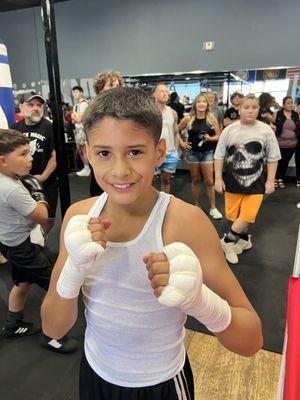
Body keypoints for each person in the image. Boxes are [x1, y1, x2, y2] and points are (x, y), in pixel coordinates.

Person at [42, 87, 263, 400]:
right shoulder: (79, 217)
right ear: (87, 153)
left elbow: (251, 340)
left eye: (135, 152)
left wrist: (200, 301)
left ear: (159, 152)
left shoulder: (185, 222)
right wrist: (74, 270)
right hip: (94, 375)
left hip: (160, 384)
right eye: (104, 153)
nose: (119, 170)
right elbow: (53, 328)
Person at [0, 129, 77, 353]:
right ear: (3, 161)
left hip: (10, 243)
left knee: (22, 283)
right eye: (23, 154)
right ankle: (52, 336)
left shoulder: (6, 179)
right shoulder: (13, 189)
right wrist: (37, 192)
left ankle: (12, 324)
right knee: (56, 289)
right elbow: (43, 216)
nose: (31, 157)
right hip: (23, 247)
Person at [214, 94, 281, 264]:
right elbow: (219, 156)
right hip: (232, 181)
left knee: (248, 215)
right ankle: (244, 240)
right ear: (239, 109)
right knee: (235, 217)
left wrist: (270, 180)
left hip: (257, 183)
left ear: (259, 109)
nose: (250, 111)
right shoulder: (229, 130)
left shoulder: (265, 130)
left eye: (254, 107)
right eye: (246, 107)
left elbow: (273, 157)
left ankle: (227, 242)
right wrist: (218, 179)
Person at [11, 91, 58, 235]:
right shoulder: (14, 129)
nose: (36, 108)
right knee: (22, 218)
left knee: (48, 218)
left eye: (39, 105)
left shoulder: (50, 127)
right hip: (20, 184)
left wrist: (43, 177)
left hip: (47, 183)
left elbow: (55, 156)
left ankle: (42, 240)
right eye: (30, 104)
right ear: (21, 106)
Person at [178, 93, 223, 219]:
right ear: (195, 104)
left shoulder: (211, 118)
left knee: (209, 181)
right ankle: (197, 206)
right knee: (196, 180)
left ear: (207, 104)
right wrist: (182, 143)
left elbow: (219, 135)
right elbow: (177, 130)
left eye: (204, 101)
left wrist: (210, 138)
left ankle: (213, 208)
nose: (201, 103)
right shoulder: (188, 119)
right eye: (199, 101)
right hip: (192, 153)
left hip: (207, 153)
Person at [90, 71, 124, 197]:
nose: (115, 89)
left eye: (117, 85)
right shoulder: (93, 110)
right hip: (102, 158)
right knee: (99, 195)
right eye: (111, 85)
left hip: (121, 156)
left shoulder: (126, 109)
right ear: (100, 89)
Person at [152, 83, 180, 193]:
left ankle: (164, 205)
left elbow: (176, 132)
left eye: (166, 91)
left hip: (170, 153)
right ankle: (151, 207)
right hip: (153, 153)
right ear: (154, 94)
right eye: (161, 91)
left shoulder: (172, 112)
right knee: (151, 181)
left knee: (166, 181)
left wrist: (176, 150)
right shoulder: (148, 112)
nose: (165, 94)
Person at [272, 96, 300, 188]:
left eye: (291, 103)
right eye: (288, 103)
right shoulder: (277, 114)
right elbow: (272, 126)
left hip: (292, 144)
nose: (290, 105)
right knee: (277, 162)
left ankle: (281, 178)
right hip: (279, 144)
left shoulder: (295, 114)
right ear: (283, 104)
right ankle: (275, 178)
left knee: (285, 163)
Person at [71, 86, 90, 177]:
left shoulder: (83, 104)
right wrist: (74, 116)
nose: (75, 94)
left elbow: (78, 119)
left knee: (84, 149)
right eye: (73, 92)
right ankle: (85, 167)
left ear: (81, 93)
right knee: (79, 149)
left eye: (76, 92)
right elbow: (73, 120)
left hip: (82, 129)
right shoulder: (76, 105)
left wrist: (73, 115)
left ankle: (87, 169)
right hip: (77, 130)